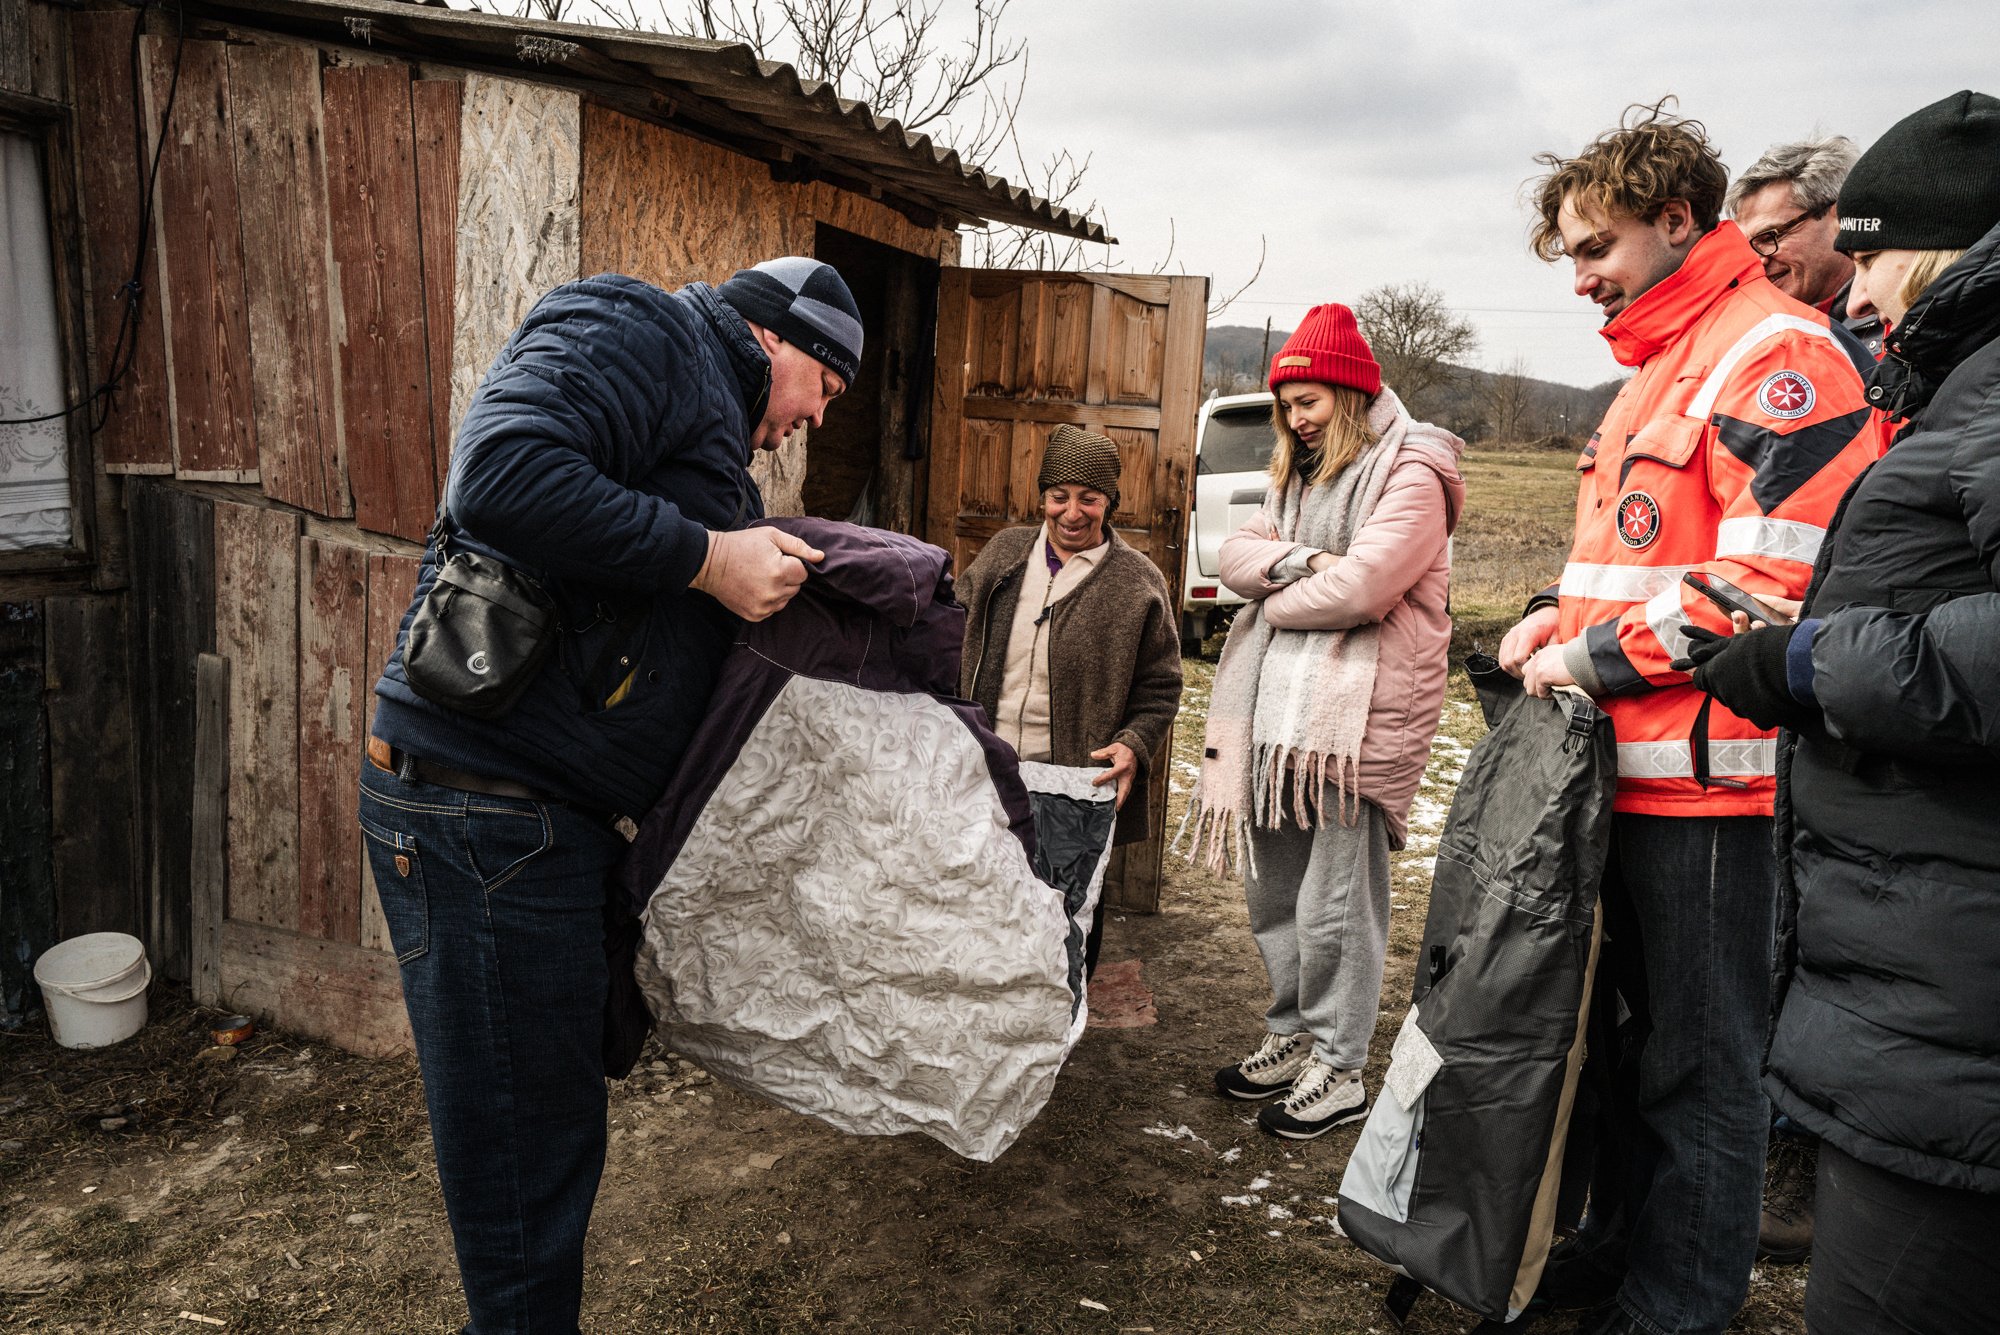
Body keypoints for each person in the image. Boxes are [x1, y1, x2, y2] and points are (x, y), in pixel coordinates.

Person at [358, 257, 861, 1334]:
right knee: (521, 1153)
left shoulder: (701, 413)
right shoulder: (637, 325)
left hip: (535, 818)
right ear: (783, 339)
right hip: (482, 805)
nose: (808, 423)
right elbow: (499, 476)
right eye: (825, 390)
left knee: (544, 1131)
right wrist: (708, 562)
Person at [1497, 102, 1880, 1335]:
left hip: (1719, 793)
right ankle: (1610, 1259)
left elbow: (1765, 595)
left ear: (1675, 222)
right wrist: (1549, 611)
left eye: (1591, 247)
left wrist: (1582, 663)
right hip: (1618, 777)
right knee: (1616, 1056)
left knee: (1702, 1073)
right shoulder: (1655, 365)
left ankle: (1675, 1309)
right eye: (1564, 256)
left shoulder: (1780, 355)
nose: (1577, 279)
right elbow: (1632, 557)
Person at [1682, 89, 2000, 1335]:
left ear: (1946, 238)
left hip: (1954, 1020)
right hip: (1929, 992)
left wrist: (1809, 664)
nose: (1853, 295)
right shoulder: (1961, 390)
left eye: (1866, 255)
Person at [1190, 304, 1465, 1141]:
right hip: (1278, 717)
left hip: (1358, 717)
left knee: (1335, 902)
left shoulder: (1414, 469)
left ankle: (1341, 1065)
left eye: (1308, 402)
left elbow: (1367, 590)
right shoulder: (1296, 471)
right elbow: (1230, 557)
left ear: (1349, 393)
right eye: (1288, 406)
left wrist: (1275, 598)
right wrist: (1304, 562)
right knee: (1274, 887)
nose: (1295, 420)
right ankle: (1292, 1030)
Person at [957, 424, 1183, 972]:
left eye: (1089, 498)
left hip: (1073, 786)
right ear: (1042, 497)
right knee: (975, 907)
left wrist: (1134, 744)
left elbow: (1161, 685)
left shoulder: (1137, 583)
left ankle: (1057, 1035)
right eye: (1059, 496)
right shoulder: (1004, 555)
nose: (1072, 512)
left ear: (1111, 502)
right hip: (987, 768)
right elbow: (947, 626)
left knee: (1067, 922)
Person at [1727, 134, 1886, 357]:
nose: (1757, 260)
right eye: (1746, 246)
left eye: (1769, 236)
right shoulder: (1758, 334)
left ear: (1841, 216)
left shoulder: (1900, 316)